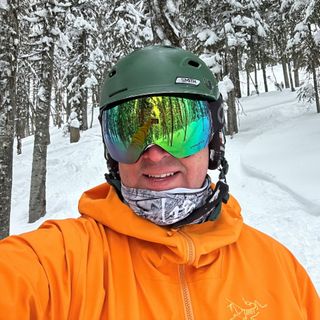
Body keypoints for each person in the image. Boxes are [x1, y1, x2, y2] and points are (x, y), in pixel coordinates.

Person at [0, 45, 319, 320]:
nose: (154, 155)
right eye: (130, 135)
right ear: (111, 155)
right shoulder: (65, 263)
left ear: (213, 143)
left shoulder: (278, 268)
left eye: (180, 132)